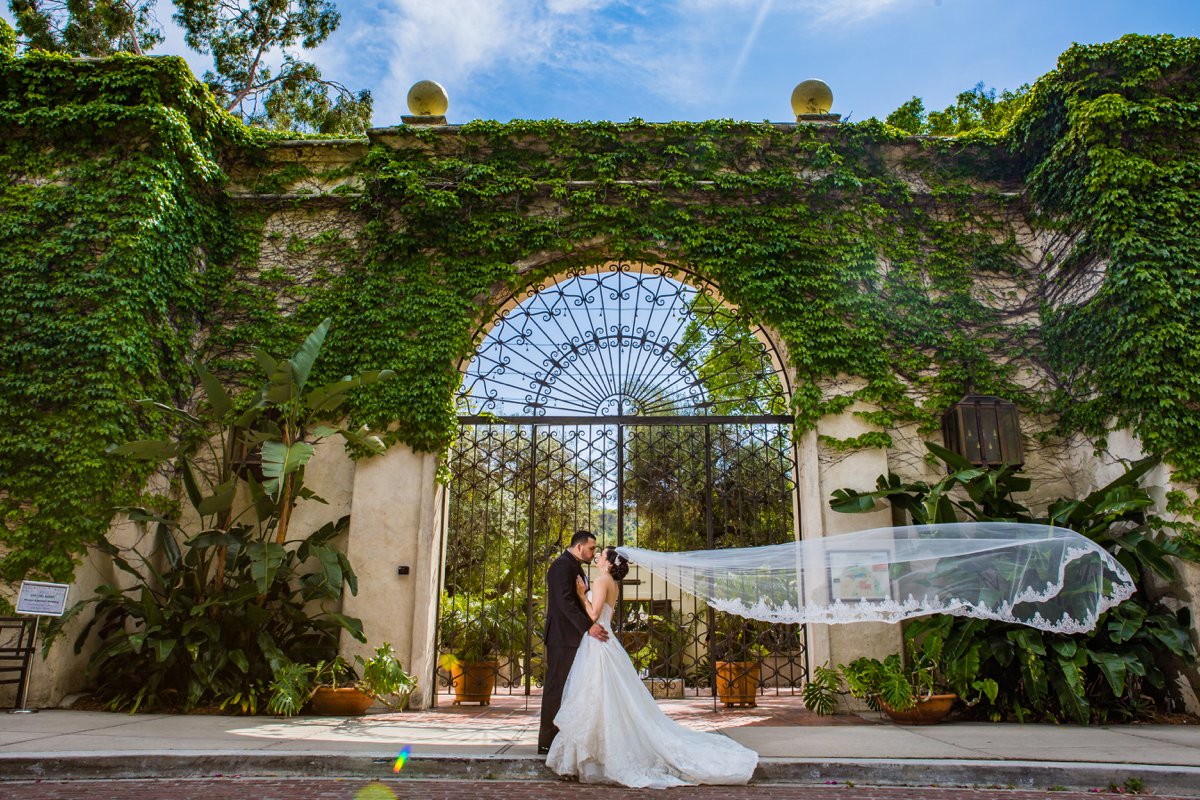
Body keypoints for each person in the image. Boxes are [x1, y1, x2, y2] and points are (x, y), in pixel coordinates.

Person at [546, 546, 758, 787]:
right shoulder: (612, 583)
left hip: (598, 642)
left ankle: (597, 753)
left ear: (609, 562)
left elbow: (594, 616)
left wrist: (582, 594)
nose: (597, 556)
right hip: (606, 643)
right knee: (605, 698)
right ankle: (599, 751)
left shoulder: (601, 580)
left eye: (601, 554)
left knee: (595, 697)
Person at [538, 530, 609, 755]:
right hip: (561, 638)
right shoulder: (561, 566)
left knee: (569, 689)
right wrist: (587, 627)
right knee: (556, 688)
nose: (593, 553)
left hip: (573, 638)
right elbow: (565, 602)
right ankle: (547, 741)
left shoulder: (575, 566)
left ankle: (562, 739)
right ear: (579, 547)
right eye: (591, 549)